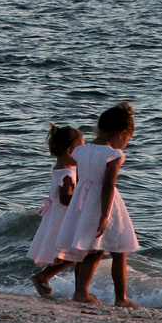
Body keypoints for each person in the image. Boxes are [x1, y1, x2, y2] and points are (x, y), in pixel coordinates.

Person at [54, 102, 140, 307]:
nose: (125, 144)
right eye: (127, 139)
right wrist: (104, 214)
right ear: (121, 134)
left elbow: (82, 179)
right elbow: (108, 186)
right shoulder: (113, 155)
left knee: (91, 250)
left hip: (83, 200)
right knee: (119, 250)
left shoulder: (80, 151)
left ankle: (80, 292)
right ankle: (121, 298)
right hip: (106, 203)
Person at [29, 124, 83, 296]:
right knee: (74, 253)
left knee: (72, 254)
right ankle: (44, 276)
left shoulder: (58, 167)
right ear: (70, 151)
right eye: (80, 150)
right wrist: (82, 199)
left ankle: (78, 288)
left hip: (56, 214)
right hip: (64, 216)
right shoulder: (67, 173)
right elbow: (65, 198)